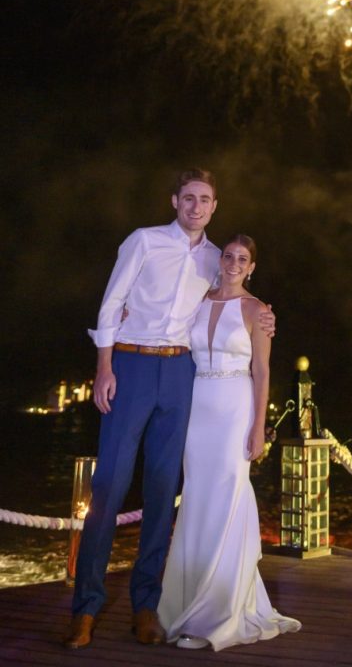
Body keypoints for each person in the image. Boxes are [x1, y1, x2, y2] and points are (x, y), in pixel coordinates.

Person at [63, 170, 275, 650]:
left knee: (162, 493)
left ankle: (146, 606)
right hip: (132, 366)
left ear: (214, 207)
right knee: (110, 485)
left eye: (205, 200)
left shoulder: (213, 261)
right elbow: (111, 302)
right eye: (189, 198)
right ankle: (85, 611)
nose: (196, 207)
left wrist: (264, 315)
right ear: (175, 201)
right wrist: (104, 365)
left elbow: (230, 307)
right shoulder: (143, 241)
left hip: (181, 376)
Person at [158, 234, 301, 651]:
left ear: (252, 267)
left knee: (227, 495)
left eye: (243, 259)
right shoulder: (197, 302)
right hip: (196, 408)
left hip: (235, 407)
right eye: (229, 255)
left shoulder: (258, 311)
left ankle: (216, 613)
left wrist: (259, 427)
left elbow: (262, 372)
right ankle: (187, 599)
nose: (235, 263)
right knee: (198, 498)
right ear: (219, 260)